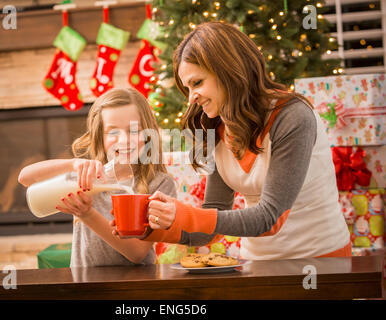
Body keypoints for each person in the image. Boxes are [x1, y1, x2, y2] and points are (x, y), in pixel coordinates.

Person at [137, 22, 351, 260]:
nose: (191, 98)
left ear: (228, 71)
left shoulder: (293, 117)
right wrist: (146, 230)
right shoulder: (215, 127)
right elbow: (212, 223)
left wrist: (183, 214)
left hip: (320, 262)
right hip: (256, 264)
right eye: (187, 88)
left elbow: (269, 219)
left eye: (197, 83)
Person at [18, 88, 177, 267]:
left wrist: (88, 215)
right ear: (100, 136)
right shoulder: (88, 175)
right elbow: (25, 178)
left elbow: (137, 253)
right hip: (85, 283)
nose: (124, 140)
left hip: (135, 285)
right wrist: (71, 164)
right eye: (113, 132)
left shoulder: (160, 184)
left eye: (134, 131)